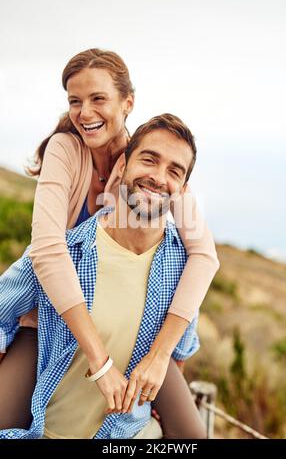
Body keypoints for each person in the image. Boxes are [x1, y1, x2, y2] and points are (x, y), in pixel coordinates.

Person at [0, 49, 219, 434]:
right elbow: (47, 252)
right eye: (75, 101)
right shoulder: (66, 150)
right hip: (50, 313)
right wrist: (100, 363)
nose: (85, 113)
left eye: (98, 99)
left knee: (190, 433)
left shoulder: (148, 161)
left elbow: (200, 255)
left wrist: (162, 354)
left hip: (132, 319)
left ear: (127, 102)